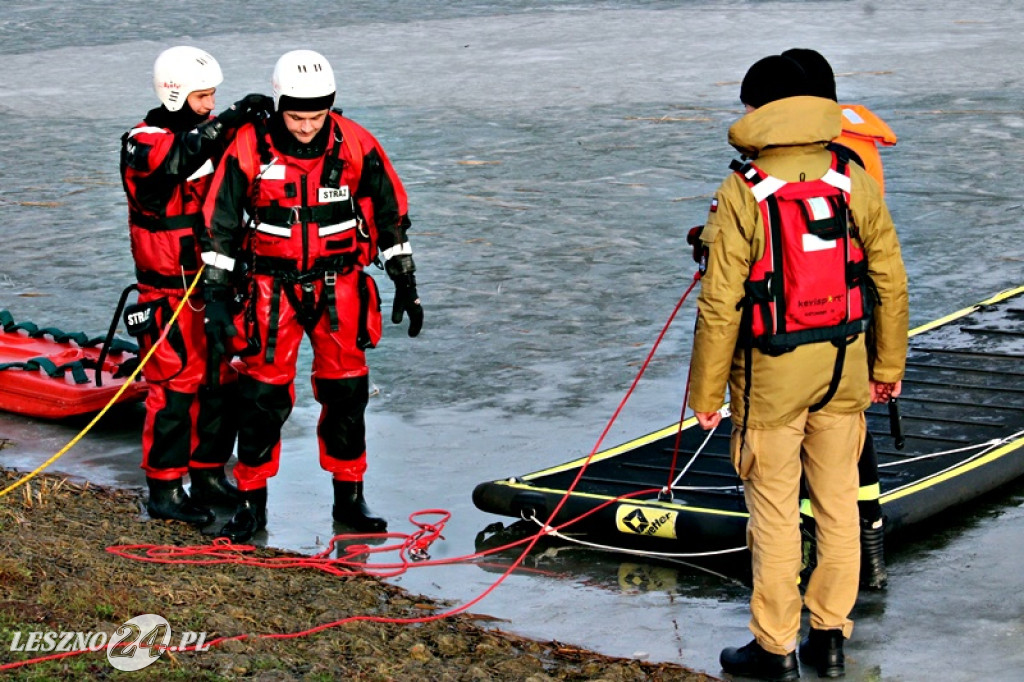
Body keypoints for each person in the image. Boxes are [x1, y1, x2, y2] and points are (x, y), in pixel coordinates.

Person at [688, 55, 908, 680]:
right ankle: (830, 638)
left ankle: (775, 646)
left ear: (763, 110)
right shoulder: (852, 175)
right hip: (844, 367)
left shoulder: (743, 189)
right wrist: (888, 364)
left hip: (770, 379)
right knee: (838, 508)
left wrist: (706, 393)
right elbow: (890, 279)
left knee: (776, 514)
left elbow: (720, 304)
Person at [200, 49, 423, 542]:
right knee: (261, 398)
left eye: (316, 117)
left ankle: (350, 497)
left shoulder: (356, 143)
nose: (306, 128)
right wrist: (215, 301)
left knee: (347, 394)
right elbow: (219, 225)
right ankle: (251, 503)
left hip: (340, 287)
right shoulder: (248, 147)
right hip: (268, 290)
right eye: (296, 117)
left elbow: (390, 213)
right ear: (279, 105)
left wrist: (405, 280)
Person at [120, 46, 272, 525]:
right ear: (174, 93)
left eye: (213, 96)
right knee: (174, 388)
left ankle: (207, 475)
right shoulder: (143, 142)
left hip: (215, 286)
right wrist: (231, 117)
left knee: (221, 382)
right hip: (168, 292)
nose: (210, 104)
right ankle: (164, 490)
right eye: (202, 96)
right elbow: (180, 156)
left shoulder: (210, 135)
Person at [783, 47, 898, 590]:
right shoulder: (853, 149)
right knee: (851, 429)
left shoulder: (822, 154)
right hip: (858, 299)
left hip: (822, 309)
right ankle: (869, 554)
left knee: (822, 432)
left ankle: (820, 556)